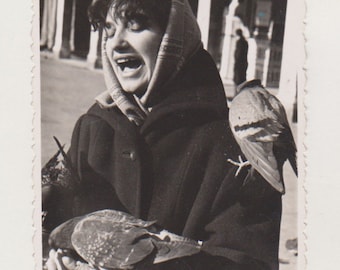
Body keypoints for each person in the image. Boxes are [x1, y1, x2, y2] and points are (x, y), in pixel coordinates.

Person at [44, 0, 282, 269]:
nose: (116, 43)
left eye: (136, 26)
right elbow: (61, 230)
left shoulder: (235, 143)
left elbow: (247, 262)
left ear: (174, 37)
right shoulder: (93, 128)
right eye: (109, 30)